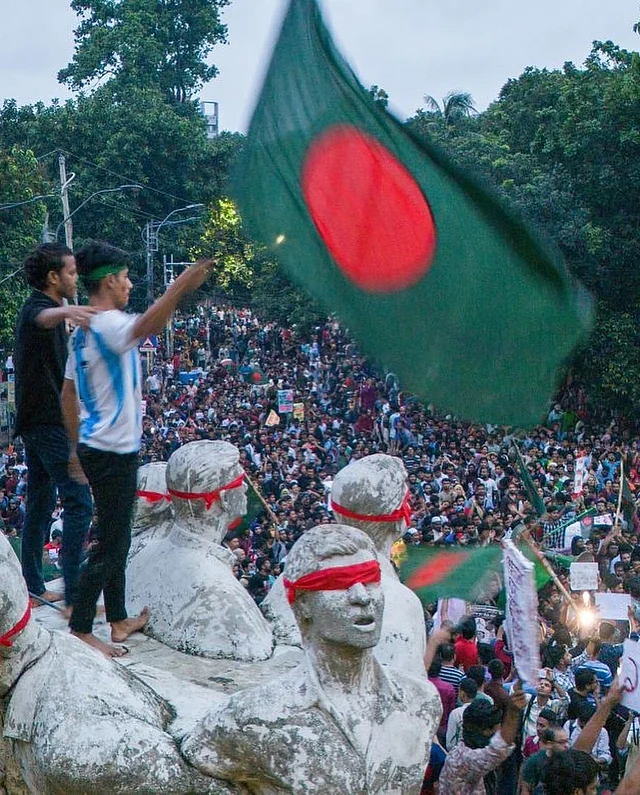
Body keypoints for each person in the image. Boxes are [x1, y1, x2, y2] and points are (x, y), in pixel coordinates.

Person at [181, 524, 442, 793]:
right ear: (303, 603)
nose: (362, 597)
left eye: (369, 579)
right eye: (338, 583)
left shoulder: (422, 702)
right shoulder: (252, 718)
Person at [61, 241, 213, 656]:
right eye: (126, 278)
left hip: (97, 446)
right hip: (113, 451)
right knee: (113, 543)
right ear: (109, 281)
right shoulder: (108, 324)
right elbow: (145, 327)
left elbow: (67, 392)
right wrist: (179, 287)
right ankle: (81, 628)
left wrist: (76, 446)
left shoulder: (82, 331)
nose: (130, 285)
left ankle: (117, 618)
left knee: (116, 534)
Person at [14, 243, 95, 609]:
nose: (76, 278)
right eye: (71, 272)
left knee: (41, 502)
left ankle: (33, 582)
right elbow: (41, 320)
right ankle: (75, 591)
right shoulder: (38, 308)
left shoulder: (53, 310)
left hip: (40, 422)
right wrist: (73, 311)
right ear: (53, 277)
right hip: (46, 424)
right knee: (79, 501)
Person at [439, 680, 526, 794]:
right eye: (495, 733)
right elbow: (496, 751)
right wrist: (513, 713)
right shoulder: (462, 759)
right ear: (484, 731)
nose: (498, 735)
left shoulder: (468, 754)